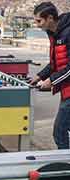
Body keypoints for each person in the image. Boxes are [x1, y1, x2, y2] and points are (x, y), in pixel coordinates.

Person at [30, 2, 70, 149]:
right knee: (65, 126)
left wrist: (51, 81)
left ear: (50, 18)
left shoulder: (68, 32)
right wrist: (40, 76)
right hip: (66, 89)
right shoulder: (53, 33)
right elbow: (55, 63)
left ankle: (66, 165)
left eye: (39, 21)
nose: (37, 24)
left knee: (59, 132)